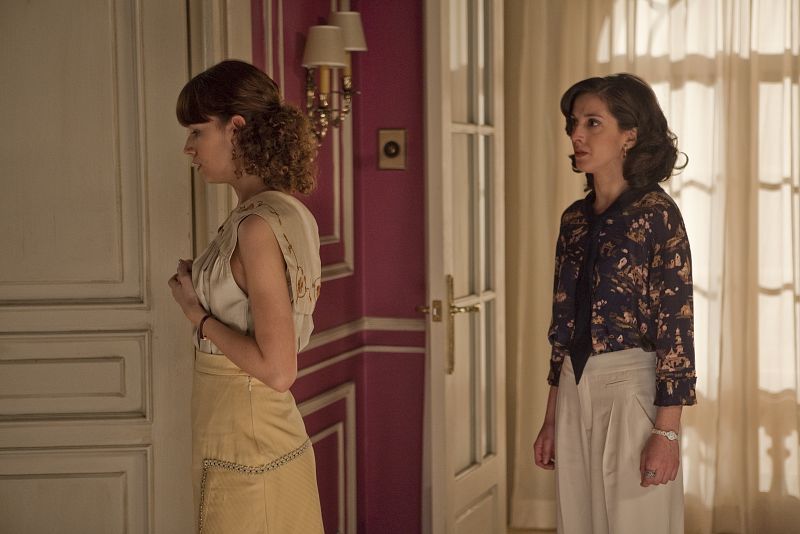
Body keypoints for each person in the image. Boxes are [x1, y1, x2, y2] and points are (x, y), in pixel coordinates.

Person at [532, 73, 695, 534]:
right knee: (576, 524)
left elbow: (676, 328)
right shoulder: (574, 220)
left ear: (630, 135)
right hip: (573, 385)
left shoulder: (657, 215)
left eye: (592, 122)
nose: (576, 134)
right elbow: (563, 326)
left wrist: (666, 432)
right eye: (573, 123)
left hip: (630, 390)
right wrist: (551, 418)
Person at [167, 59, 324, 533]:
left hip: (249, 448)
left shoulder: (257, 225)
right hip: (245, 441)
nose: (189, 148)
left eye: (197, 131)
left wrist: (197, 315)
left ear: (235, 128)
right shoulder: (280, 211)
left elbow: (278, 370)